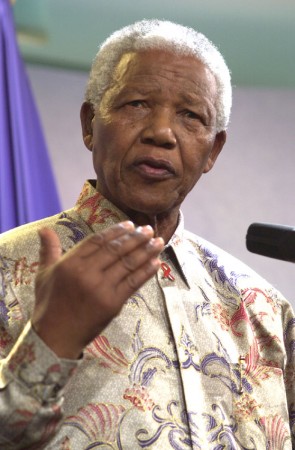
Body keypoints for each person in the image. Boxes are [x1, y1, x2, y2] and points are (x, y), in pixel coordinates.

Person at [0, 19, 294, 449]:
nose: (161, 132)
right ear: (89, 124)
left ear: (213, 150)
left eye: (191, 115)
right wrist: (50, 339)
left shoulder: (263, 308)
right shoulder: (8, 268)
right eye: (136, 104)